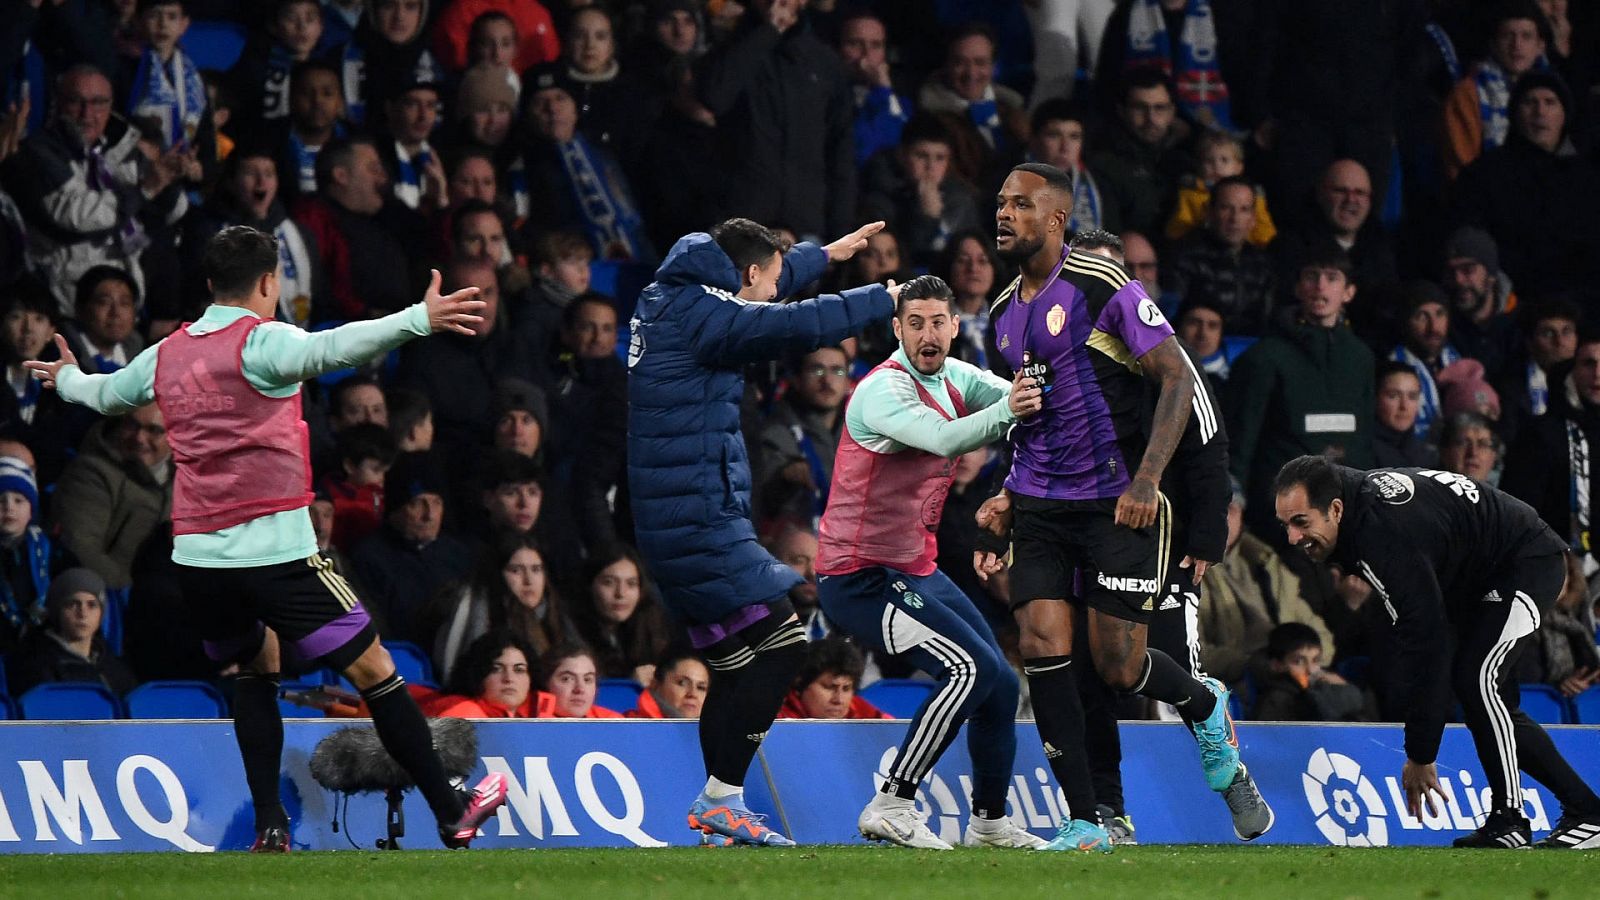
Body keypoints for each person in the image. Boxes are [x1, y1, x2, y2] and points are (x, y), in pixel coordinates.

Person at [24, 225, 507, 850]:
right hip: (278, 555)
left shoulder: (169, 352)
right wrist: (420, 317)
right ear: (268, 283)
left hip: (197, 561)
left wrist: (64, 379)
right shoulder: (261, 342)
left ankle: (269, 823)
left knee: (257, 669)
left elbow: (107, 393)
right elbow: (335, 348)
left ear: (208, 286)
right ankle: (450, 808)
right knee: (378, 671)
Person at [974, 171, 1269, 853]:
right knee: (1045, 651)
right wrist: (1007, 496)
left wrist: (1147, 482)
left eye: (1021, 204)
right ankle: (1085, 821)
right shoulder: (1000, 315)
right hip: (1044, 512)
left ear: (1056, 220)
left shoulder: (1103, 285)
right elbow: (1034, 422)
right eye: (1000, 203)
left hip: (1118, 506)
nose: (1005, 214)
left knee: (1118, 667)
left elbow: (1176, 380)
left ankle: (1203, 705)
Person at [627, 216, 893, 847]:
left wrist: (820, 256)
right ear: (746, 275)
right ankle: (721, 799)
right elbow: (787, 323)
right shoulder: (705, 313)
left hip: (675, 516)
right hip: (697, 515)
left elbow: (764, 286)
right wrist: (884, 299)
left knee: (734, 661)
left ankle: (719, 816)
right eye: (772, 279)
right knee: (785, 643)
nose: (776, 290)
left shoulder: (673, 295)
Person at [813, 273, 1045, 851]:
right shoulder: (881, 390)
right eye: (914, 323)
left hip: (914, 568)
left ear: (953, 326)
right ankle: (892, 803)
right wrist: (1013, 409)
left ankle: (989, 824)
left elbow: (1005, 394)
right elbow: (944, 440)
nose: (927, 334)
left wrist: (1037, 391)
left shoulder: (953, 376)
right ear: (897, 329)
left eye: (938, 322)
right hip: (858, 576)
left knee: (998, 680)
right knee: (966, 669)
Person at [1274, 454, 1600, 848]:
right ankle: (1582, 810)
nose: (1292, 538)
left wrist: (1421, 754)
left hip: (1525, 562)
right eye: (1286, 525)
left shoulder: (1381, 534)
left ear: (1336, 510)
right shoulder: (1347, 499)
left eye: (1301, 523)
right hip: (1475, 574)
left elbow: (1426, 643)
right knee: (1485, 693)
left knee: (1478, 680)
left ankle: (1512, 818)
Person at [50, 403, 172, 589]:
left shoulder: (187, 478)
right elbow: (81, 549)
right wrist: (133, 594)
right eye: (132, 425)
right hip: (110, 603)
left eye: (153, 430)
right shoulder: (91, 474)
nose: (139, 437)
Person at [5, 567, 137, 698]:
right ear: (57, 611)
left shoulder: (109, 660)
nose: (83, 613)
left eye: (92, 605)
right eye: (73, 604)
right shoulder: (37, 666)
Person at [1250, 621, 1366, 722]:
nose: (1310, 669)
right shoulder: (1276, 700)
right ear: (1277, 665)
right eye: (1299, 661)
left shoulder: (1321, 687)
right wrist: (1343, 691)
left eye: (1315, 660)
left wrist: (1341, 687)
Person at [775, 636, 892, 720]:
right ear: (800, 683)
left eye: (846, 688)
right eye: (829, 687)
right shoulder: (772, 721)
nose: (838, 700)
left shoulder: (864, 713)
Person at [539, 643, 624, 718]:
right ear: (545, 684)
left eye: (587, 680)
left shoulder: (613, 722)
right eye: (566, 679)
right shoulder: (529, 724)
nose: (580, 689)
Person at [629, 648, 711, 719]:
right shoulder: (626, 726)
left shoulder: (719, 733)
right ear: (656, 685)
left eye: (701, 687)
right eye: (682, 683)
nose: (693, 694)